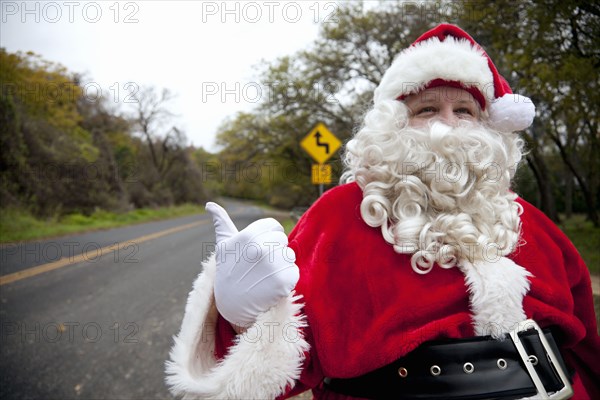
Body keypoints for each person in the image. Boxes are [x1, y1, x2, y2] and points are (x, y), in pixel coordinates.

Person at [165, 24, 600, 399]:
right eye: (426, 109)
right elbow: (267, 374)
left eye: (464, 110)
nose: (446, 124)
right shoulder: (337, 216)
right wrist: (241, 319)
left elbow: (588, 348)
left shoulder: (530, 220)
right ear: (391, 125)